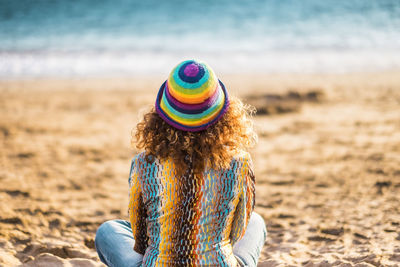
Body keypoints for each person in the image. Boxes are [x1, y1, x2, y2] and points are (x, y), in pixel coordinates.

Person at [95, 60, 267, 267]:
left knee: (108, 231)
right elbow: (238, 231)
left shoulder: (144, 163)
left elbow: (139, 236)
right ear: (223, 112)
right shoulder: (239, 162)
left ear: (163, 114)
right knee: (256, 222)